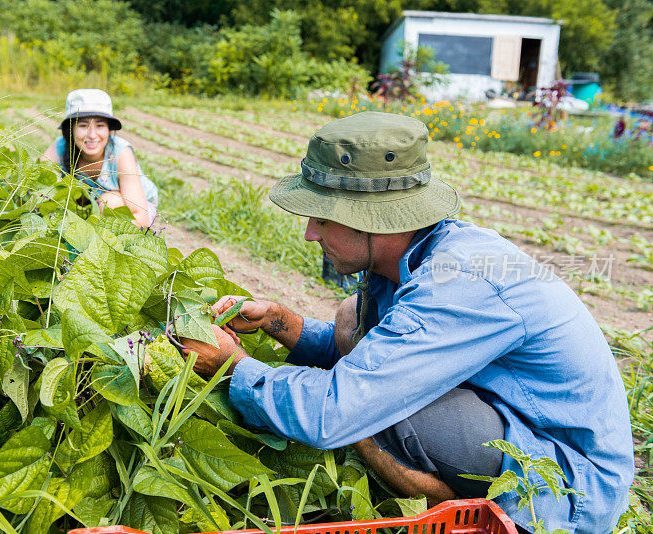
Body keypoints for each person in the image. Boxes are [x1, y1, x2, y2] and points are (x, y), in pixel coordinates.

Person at [181, 112, 634, 533]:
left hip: (568, 485)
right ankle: (402, 461)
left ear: (372, 220)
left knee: (378, 406)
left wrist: (234, 367)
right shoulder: (411, 259)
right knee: (350, 325)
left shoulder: (457, 284)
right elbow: (374, 352)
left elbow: (331, 413)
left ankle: (461, 507)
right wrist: (282, 323)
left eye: (322, 218)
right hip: (514, 419)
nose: (310, 234)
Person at [42, 89, 158, 227]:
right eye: (83, 125)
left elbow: (140, 216)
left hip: (131, 209)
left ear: (109, 129)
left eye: (100, 125)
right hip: (87, 209)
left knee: (109, 202)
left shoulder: (120, 152)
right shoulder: (59, 147)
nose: (92, 135)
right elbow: (37, 188)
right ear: (70, 129)